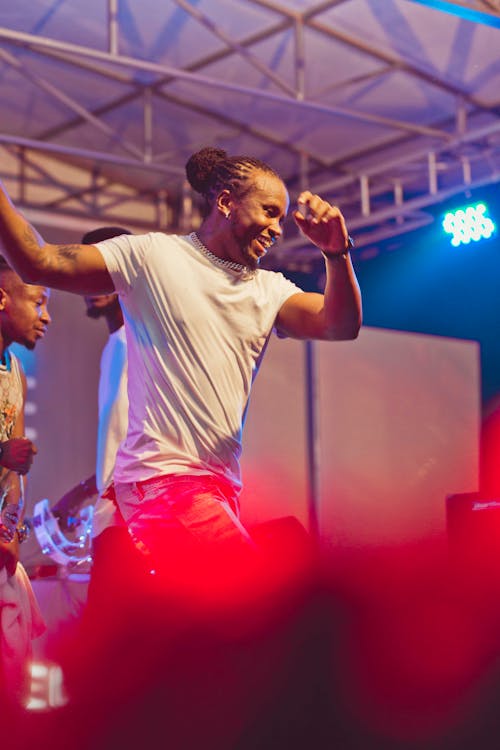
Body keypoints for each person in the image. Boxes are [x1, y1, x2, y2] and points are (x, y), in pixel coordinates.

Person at [0, 146, 362, 585]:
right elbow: (39, 261)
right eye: (268, 211)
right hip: (163, 481)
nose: (276, 229)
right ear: (225, 202)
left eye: (282, 219)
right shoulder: (153, 257)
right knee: (257, 597)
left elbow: (340, 325)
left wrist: (336, 253)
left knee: (211, 630)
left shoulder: (269, 290)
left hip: (218, 487)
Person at [51, 226, 131, 542]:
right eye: (86, 271)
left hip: (133, 521)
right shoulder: (115, 346)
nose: (90, 283)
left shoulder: (141, 345)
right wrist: (85, 491)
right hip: (112, 518)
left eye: (103, 270)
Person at [0, 257, 50, 705]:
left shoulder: (14, 370)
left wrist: (11, 530)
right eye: (38, 301)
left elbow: (15, 470)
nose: (46, 316)